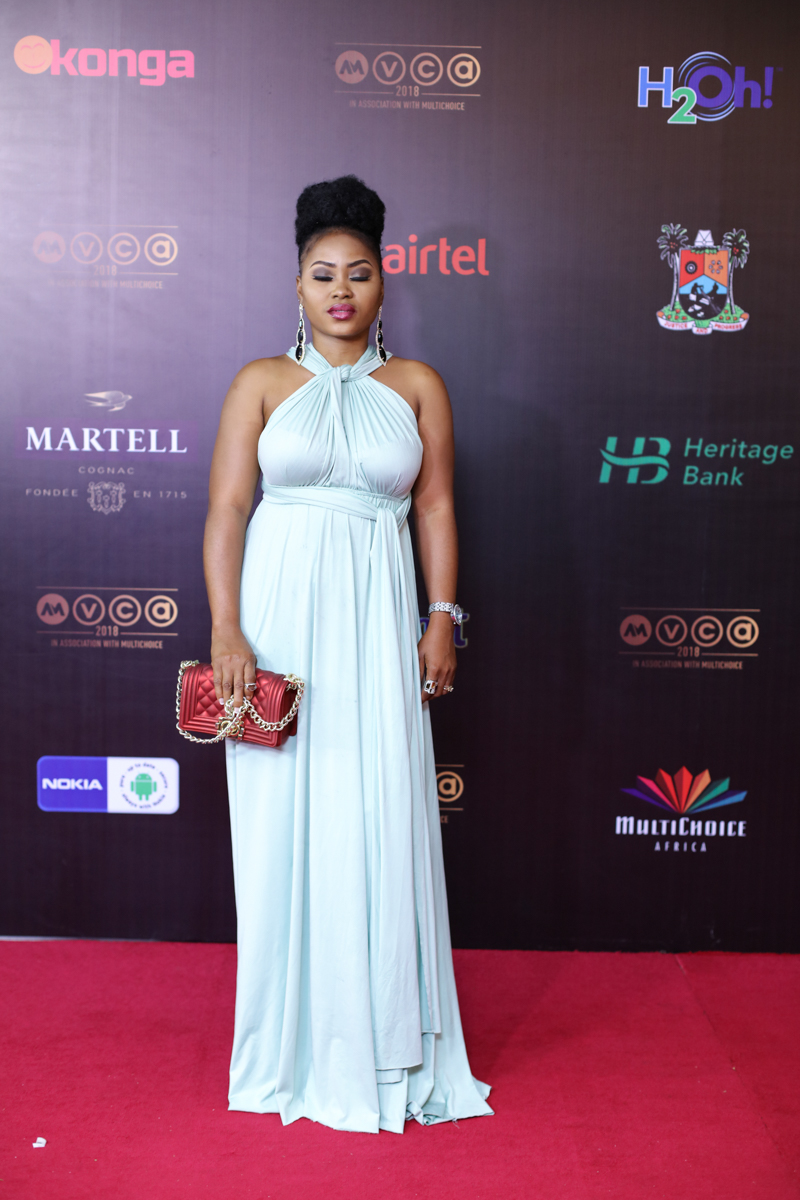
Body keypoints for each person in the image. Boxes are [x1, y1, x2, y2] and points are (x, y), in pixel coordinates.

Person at [203, 175, 492, 1134]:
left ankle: (380, 1045)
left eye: (358, 273)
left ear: (382, 284)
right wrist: (227, 627)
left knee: (377, 812)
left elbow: (436, 507)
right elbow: (229, 510)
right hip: (277, 623)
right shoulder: (258, 382)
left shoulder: (417, 387)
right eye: (322, 274)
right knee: (282, 823)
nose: (340, 290)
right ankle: (290, 1046)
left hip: (377, 623)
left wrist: (441, 616)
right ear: (297, 284)